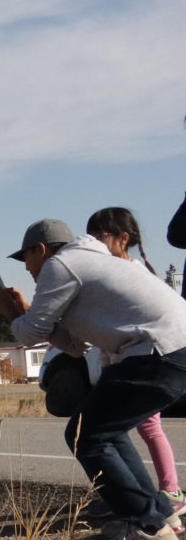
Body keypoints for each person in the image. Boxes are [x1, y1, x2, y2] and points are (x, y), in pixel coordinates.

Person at [0, 218, 186, 540]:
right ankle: (157, 514)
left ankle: (149, 529)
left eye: (26, 258)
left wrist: (11, 313)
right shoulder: (91, 262)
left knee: (85, 436)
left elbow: (28, 334)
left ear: (41, 249)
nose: (28, 268)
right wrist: (26, 312)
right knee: (109, 432)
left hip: (157, 353)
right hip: (170, 351)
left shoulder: (61, 265)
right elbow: (74, 345)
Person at [84, 208, 185, 518]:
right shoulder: (112, 271)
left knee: (144, 426)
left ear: (123, 238)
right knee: (119, 431)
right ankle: (129, 495)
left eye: (99, 236)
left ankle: (169, 491)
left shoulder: (131, 273)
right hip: (124, 362)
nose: (93, 243)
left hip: (145, 362)